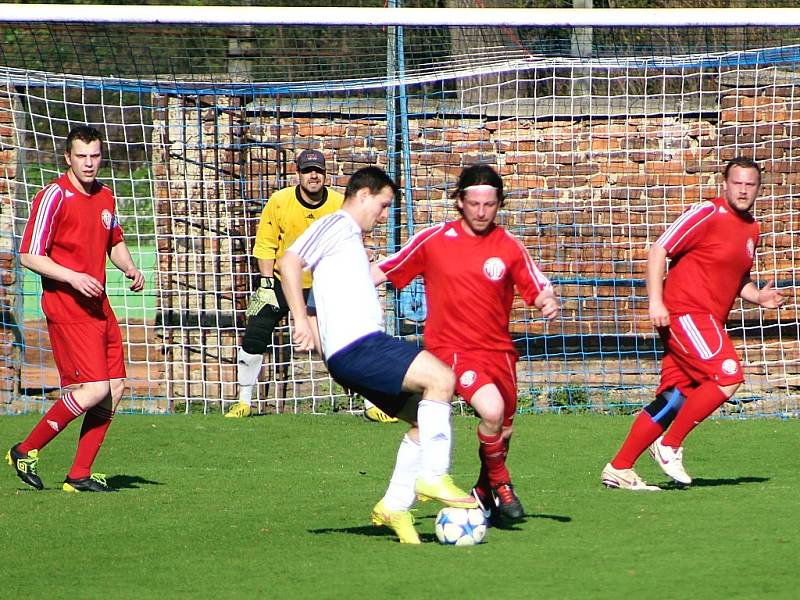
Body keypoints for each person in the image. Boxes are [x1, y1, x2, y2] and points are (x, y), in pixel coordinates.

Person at [278, 166, 478, 544]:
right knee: (442, 379)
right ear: (364, 194)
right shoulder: (336, 223)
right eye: (384, 205)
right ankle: (434, 475)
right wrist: (300, 320)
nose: (384, 215)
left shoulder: (349, 239)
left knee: (424, 418)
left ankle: (394, 505)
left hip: (353, 351)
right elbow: (288, 261)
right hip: (361, 346)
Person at [373, 164, 560, 523]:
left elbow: (537, 285)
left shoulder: (508, 246)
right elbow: (387, 268)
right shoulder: (435, 240)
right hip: (452, 351)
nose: (480, 211)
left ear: (499, 204)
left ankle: (481, 491)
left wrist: (547, 301)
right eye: (473, 203)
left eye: (489, 204)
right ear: (459, 202)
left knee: (502, 429)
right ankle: (502, 485)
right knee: (490, 411)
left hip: (499, 352)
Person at [601, 157, 784, 491]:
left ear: (759, 188)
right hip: (686, 311)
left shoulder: (751, 229)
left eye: (750, 184)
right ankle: (669, 446)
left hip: (706, 319)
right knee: (728, 374)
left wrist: (758, 297)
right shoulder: (707, 213)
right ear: (725, 183)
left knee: (676, 397)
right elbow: (659, 250)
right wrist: (655, 301)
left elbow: (735, 276)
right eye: (737, 182)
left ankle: (620, 467)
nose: (743, 190)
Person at [7, 125, 145, 492]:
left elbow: (114, 241)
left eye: (95, 156)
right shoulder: (53, 196)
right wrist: (72, 277)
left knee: (115, 386)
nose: (89, 163)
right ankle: (25, 449)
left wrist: (129, 266)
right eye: (81, 156)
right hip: (67, 305)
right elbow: (29, 255)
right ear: (68, 158)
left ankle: (79, 474)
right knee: (94, 388)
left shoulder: (105, 197)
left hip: (98, 305)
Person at [227, 149, 347, 417]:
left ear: (325, 175)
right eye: (307, 171)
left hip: (322, 283)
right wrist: (267, 284)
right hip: (281, 282)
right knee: (256, 329)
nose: (313, 175)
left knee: (347, 337)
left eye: (318, 170)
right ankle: (244, 401)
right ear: (298, 175)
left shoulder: (340, 204)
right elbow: (265, 244)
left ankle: (372, 403)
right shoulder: (280, 201)